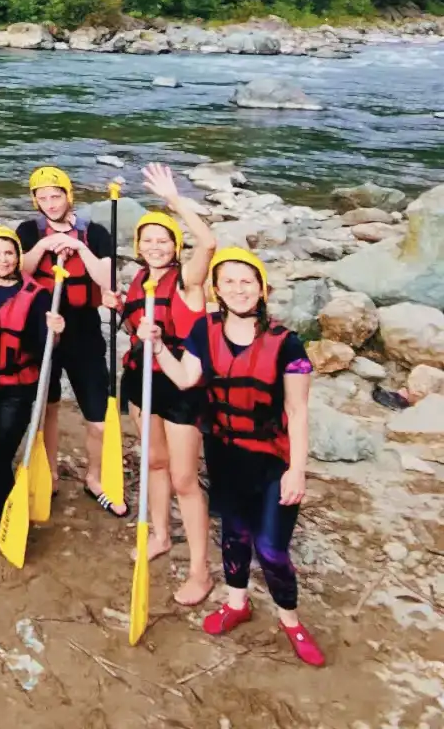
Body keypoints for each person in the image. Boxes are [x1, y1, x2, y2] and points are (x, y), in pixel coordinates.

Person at [150, 249, 324, 667]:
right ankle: (236, 602)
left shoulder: (287, 342)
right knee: (234, 535)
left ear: (262, 287)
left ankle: (290, 620)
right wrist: (156, 347)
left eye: (247, 280)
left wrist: (297, 470)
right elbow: (187, 378)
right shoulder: (203, 330)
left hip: (271, 460)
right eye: (228, 281)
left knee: (272, 549)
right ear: (217, 290)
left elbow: (298, 412)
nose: (238, 289)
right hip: (226, 453)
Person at [112, 163, 217, 606]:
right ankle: (159, 535)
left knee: (184, 478)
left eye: (163, 240)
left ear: (175, 246)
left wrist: (175, 200)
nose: (155, 247)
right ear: (138, 247)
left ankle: (200, 570)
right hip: (140, 381)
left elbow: (209, 242)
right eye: (148, 241)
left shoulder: (188, 281)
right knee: (153, 462)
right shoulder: (139, 279)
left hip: (180, 387)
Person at [17, 167, 120, 517]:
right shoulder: (29, 231)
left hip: (84, 331)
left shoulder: (96, 233)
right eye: (42, 198)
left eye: (55, 196)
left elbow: (106, 279)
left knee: (98, 415)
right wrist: (44, 244)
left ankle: (95, 477)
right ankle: (49, 471)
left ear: (68, 195)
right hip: (43, 329)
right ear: (35, 201)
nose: (50, 203)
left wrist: (77, 246)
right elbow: (19, 272)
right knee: (48, 407)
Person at [0, 226, 65, 543]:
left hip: (15, 387)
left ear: (18, 257)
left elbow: (45, 346)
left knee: (1, 451)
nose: (3, 259)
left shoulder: (37, 296)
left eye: (9, 253)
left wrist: (55, 332)